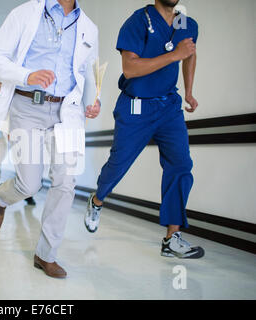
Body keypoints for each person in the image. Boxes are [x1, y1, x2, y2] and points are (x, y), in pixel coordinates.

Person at [0, 0, 100, 278]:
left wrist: (94, 101)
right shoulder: (25, 13)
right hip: (27, 107)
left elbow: (89, 72)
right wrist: (27, 74)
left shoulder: (88, 27)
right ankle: (1, 198)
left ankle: (46, 255)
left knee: (66, 182)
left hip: (67, 111)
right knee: (29, 183)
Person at [84, 0, 205, 259]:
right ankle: (97, 199)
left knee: (181, 165)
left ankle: (172, 238)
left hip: (169, 106)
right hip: (136, 106)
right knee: (119, 164)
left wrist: (190, 91)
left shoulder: (186, 23)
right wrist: (175, 54)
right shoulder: (139, 21)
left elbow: (190, 54)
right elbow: (130, 68)